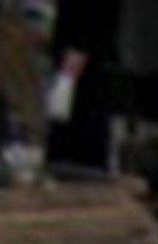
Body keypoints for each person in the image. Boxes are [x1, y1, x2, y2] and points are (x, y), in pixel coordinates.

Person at [44, 0, 118, 170]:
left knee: (79, 114)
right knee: (71, 111)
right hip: (83, 48)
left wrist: (79, 46)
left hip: (82, 51)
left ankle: (73, 164)